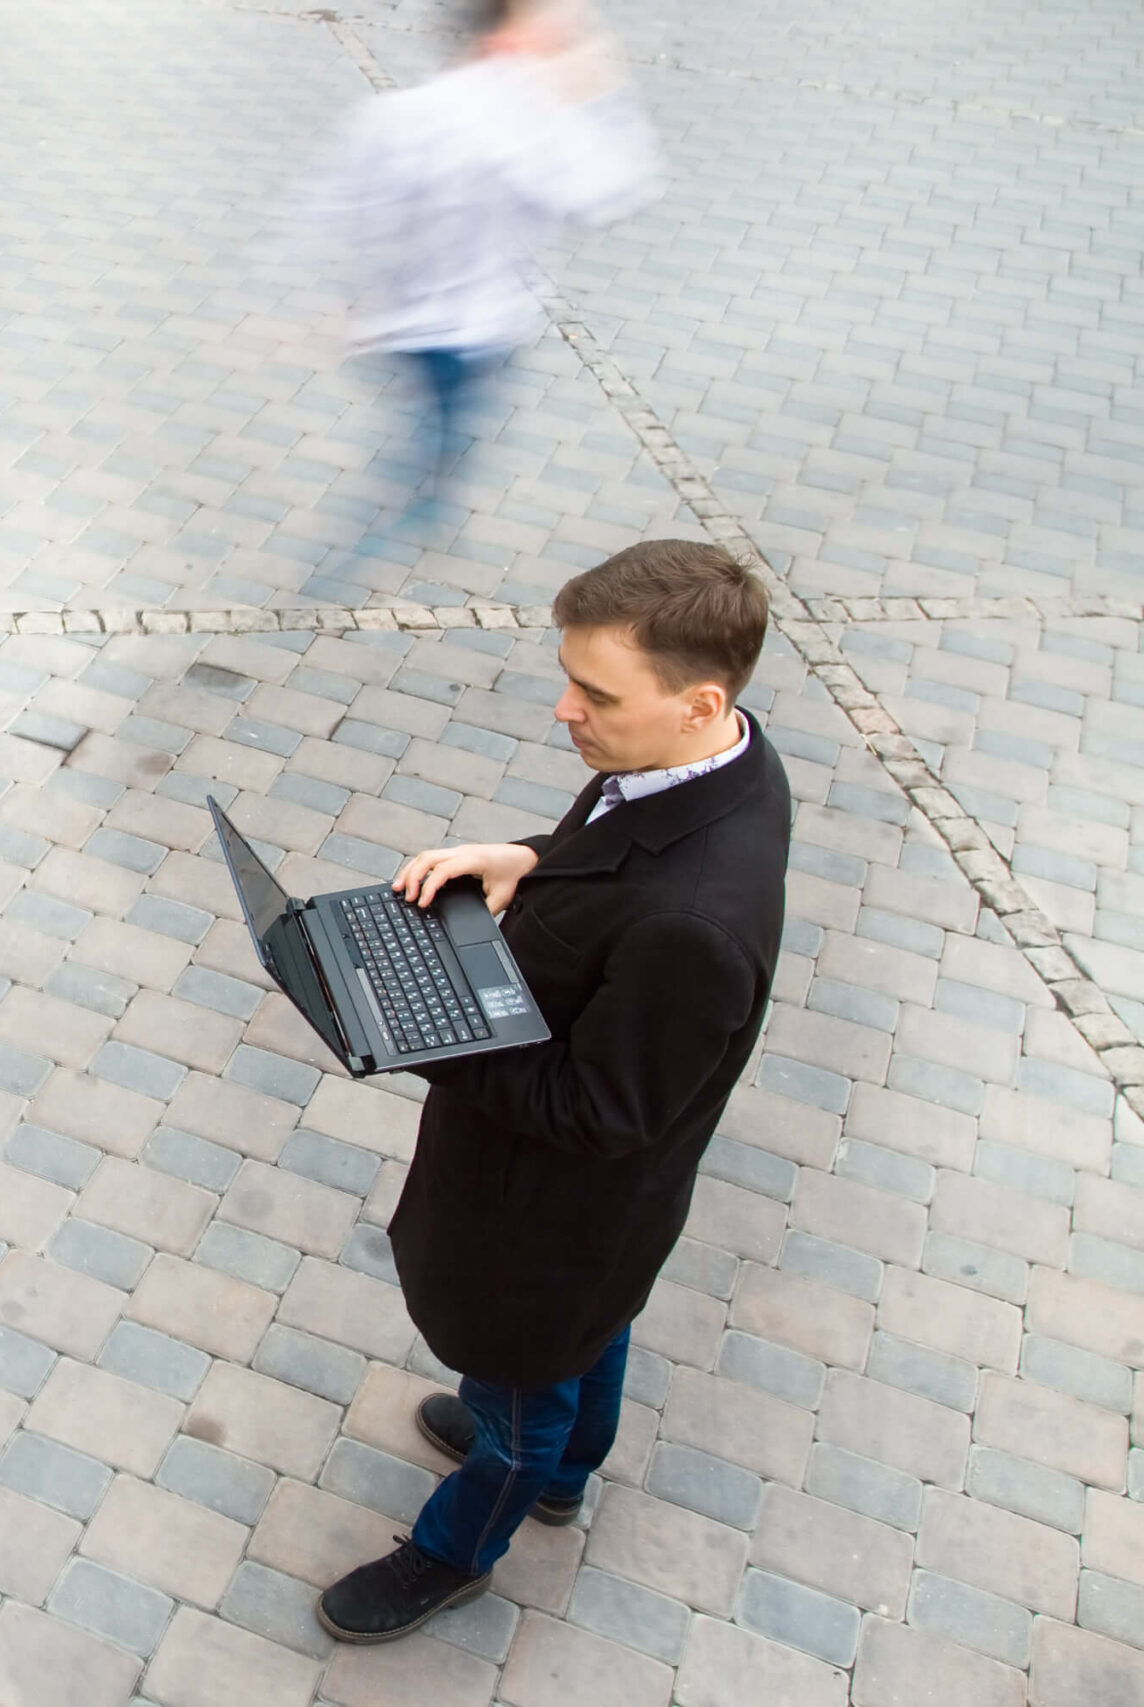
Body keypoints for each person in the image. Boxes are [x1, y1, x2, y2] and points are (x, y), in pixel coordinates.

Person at [316, 541, 791, 1643]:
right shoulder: (718, 763)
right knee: (592, 1332)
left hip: (554, 1225)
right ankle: (569, 1467)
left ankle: (456, 1547)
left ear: (698, 700)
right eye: (569, 675)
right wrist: (527, 855)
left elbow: (600, 1114)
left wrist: (421, 1026)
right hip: (600, 1244)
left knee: (520, 1399)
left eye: (596, 694)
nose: (563, 709)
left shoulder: (695, 930)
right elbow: (621, 843)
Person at [301, 0, 659, 551]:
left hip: (406, 325)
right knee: (440, 437)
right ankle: (383, 536)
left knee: (439, 432)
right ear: (506, 38)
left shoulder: (403, 113)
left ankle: (418, 507)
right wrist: (600, 92)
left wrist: (349, 300)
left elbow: (351, 212)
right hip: (474, 332)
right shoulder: (527, 126)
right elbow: (609, 193)